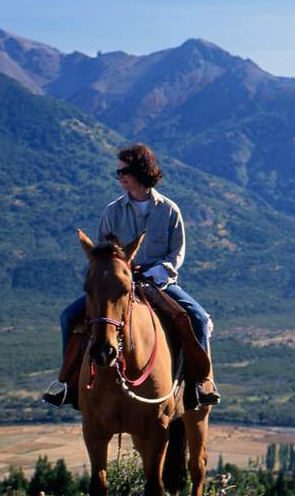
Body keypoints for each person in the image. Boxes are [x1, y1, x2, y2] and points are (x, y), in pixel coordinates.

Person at [43, 143, 220, 409]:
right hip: (117, 286)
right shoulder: (112, 212)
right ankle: (67, 384)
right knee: (68, 316)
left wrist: (156, 271)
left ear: (141, 170)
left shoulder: (169, 210)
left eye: (123, 171)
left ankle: (201, 383)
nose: (120, 177)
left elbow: (176, 253)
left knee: (197, 318)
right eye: (118, 173)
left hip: (158, 282)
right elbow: (101, 256)